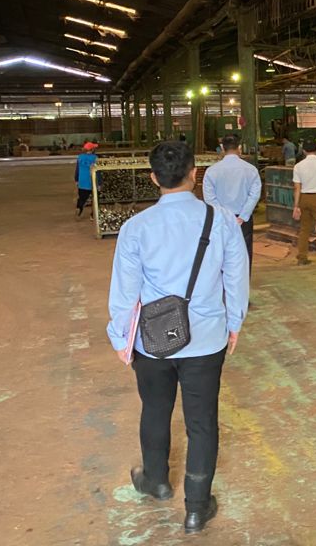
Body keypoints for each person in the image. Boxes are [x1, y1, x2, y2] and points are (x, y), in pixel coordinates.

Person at [106, 141, 249, 534]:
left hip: (152, 341)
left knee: (155, 408)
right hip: (206, 338)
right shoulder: (222, 220)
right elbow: (236, 276)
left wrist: (120, 336)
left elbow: (125, 291)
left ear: (153, 178)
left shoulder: (136, 228)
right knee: (202, 421)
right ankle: (196, 508)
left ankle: (156, 481)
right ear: (194, 174)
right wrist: (235, 321)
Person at [203, 136, 262, 267]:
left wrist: (223, 215)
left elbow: (209, 198)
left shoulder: (211, 171)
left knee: (221, 253)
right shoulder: (251, 170)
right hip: (243, 220)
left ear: (222, 148)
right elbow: (254, 195)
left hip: (220, 219)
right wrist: (243, 216)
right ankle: (243, 279)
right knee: (244, 253)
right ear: (239, 148)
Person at [292, 139, 316, 266]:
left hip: (304, 198)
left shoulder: (298, 166)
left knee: (304, 229)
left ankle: (302, 257)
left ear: (303, 151)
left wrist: (296, 206)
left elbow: (297, 188)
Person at [74, 141, 98, 218]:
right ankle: (92, 215)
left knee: (82, 198)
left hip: (82, 181)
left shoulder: (80, 157)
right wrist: (100, 183)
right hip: (91, 181)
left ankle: (79, 208)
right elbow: (98, 171)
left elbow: (77, 170)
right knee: (94, 199)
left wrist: (76, 180)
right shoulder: (95, 158)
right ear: (92, 149)